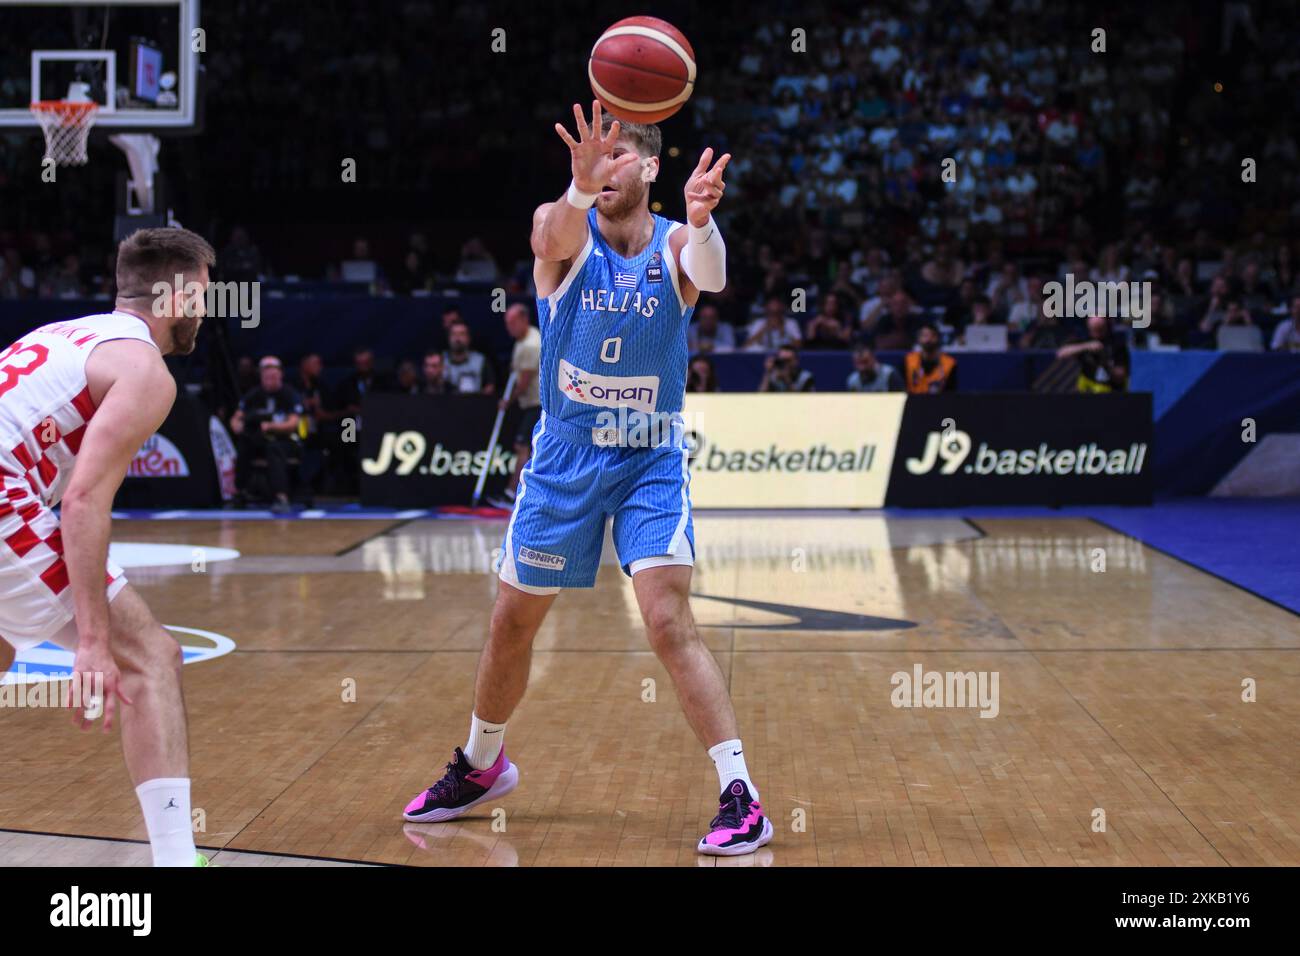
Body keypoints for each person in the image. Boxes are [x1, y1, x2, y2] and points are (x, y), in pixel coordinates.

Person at [404, 101, 772, 856]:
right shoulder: (564, 225)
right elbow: (549, 237)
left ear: (650, 167)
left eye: (621, 156)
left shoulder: (676, 242)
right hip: (565, 453)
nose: (607, 169)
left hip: (648, 455)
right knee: (512, 620)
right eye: (596, 157)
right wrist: (575, 188)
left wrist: (703, 221)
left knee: (667, 619)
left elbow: (713, 276)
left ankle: (741, 794)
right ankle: (481, 763)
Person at [0, 227, 215, 866]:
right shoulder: (146, 372)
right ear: (177, 296)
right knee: (152, 658)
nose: (206, 312)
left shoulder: (60, 335)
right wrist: (93, 641)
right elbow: (84, 502)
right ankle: (177, 862)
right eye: (203, 296)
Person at [229, 356, 304, 512]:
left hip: (285, 440)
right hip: (259, 439)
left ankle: (281, 497)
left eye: (273, 377)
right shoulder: (253, 395)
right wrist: (238, 426)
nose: (270, 380)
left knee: (274, 449)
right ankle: (240, 492)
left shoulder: (290, 394)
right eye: (266, 377)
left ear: (280, 376)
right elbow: (236, 418)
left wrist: (272, 426)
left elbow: (293, 423)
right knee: (244, 445)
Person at [497, 302, 542, 507]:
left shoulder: (532, 344)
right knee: (526, 448)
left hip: (537, 404)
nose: (508, 327)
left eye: (512, 322)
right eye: (506, 323)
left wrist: (508, 401)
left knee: (522, 447)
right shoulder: (521, 340)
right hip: (529, 404)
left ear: (524, 320)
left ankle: (513, 493)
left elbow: (523, 383)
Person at [1057, 315, 1129, 392]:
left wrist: (1105, 363)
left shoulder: (1116, 344)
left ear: (1106, 327)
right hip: (1087, 390)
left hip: (1111, 391)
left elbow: (1120, 376)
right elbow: (1061, 353)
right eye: (1094, 330)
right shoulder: (1084, 340)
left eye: (1100, 329)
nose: (1097, 333)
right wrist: (1086, 346)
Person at [443, 319, 497, 395]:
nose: (457, 339)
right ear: (448, 338)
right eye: (454, 334)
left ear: (469, 338)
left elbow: (490, 386)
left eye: (462, 334)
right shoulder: (440, 360)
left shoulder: (480, 360)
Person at [904, 324, 958, 393]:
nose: (928, 339)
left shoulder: (949, 363)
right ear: (919, 339)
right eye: (925, 336)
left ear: (938, 338)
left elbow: (951, 393)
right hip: (912, 401)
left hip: (940, 402)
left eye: (932, 336)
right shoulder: (908, 360)